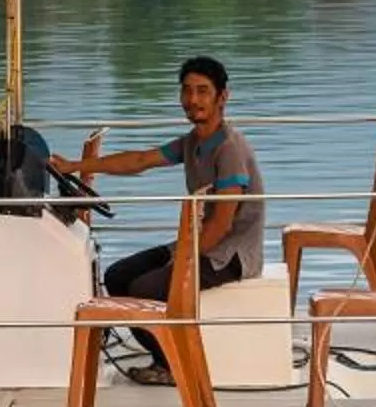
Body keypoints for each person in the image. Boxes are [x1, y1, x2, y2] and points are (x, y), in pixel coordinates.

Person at [58, 56, 264, 382]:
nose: (192, 99)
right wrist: (74, 166)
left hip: (229, 255)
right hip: (198, 244)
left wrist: (180, 262)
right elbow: (140, 160)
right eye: (187, 91)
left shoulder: (229, 150)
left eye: (202, 91)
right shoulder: (193, 142)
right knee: (117, 276)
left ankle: (173, 367)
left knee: (144, 288)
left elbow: (222, 224)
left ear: (222, 97)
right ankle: (165, 358)